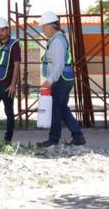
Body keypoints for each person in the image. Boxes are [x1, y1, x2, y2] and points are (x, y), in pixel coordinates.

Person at [36, 10, 86, 148]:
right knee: (61, 108)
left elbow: (58, 64)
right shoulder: (58, 39)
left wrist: (50, 80)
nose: (43, 30)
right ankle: (77, 135)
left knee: (56, 109)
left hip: (60, 80)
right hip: (65, 78)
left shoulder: (57, 41)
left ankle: (53, 139)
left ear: (51, 26)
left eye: (44, 27)